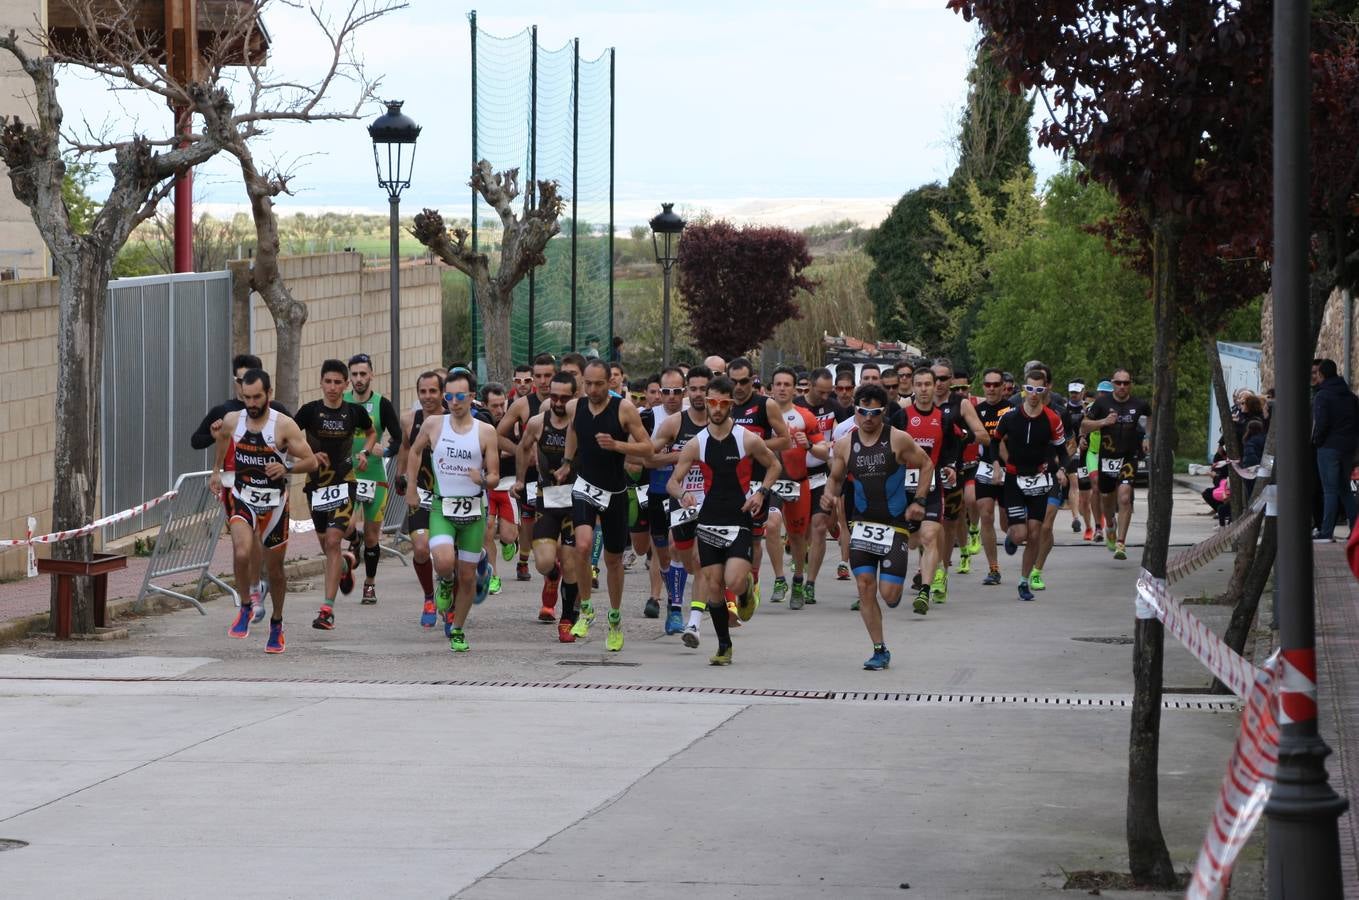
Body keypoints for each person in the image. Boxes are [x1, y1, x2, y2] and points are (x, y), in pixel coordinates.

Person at [667, 375, 782, 665]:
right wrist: (682, 494)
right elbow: (672, 482)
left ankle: (745, 595)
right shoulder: (696, 443)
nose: (717, 408)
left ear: (731, 404)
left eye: (723, 403)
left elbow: (774, 465)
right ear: (706, 403)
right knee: (714, 584)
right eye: (712, 402)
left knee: (733, 579)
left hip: (739, 519)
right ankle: (723, 646)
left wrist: (761, 493)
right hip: (708, 522)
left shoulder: (747, 439)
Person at [821, 382, 933, 670]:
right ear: (855, 411)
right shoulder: (846, 443)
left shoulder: (898, 439)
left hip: (894, 525)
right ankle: (879, 649)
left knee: (890, 594)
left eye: (875, 412)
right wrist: (829, 494)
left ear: (883, 412)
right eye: (863, 411)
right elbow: (835, 476)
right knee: (864, 586)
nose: (868, 418)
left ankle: (893, 595)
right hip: (861, 525)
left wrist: (919, 500)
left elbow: (927, 464)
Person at [211, 369, 318, 653]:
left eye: (257, 396)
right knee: (242, 551)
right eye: (247, 397)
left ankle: (277, 622)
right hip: (242, 496)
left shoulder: (283, 426)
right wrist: (216, 471)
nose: (252, 403)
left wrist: (287, 467)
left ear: (269, 394)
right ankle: (245, 606)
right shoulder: (234, 421)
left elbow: (311, 461)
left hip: (274, 505)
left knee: (276, 571)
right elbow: (222, 438)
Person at [191, 352, 293, 623]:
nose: (245, 391)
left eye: (251, 386)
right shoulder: (225, 413)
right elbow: (197, 440)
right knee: (244, 546)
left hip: (271, 493)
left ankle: (262, 589)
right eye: (239, 382)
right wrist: (215, 451)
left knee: (266, 551)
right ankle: (251, 596)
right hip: (237, 488)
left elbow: (296, 442)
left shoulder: (279, 413)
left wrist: (289, 467)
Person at [560, 359, 654, 650]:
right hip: (584, 487)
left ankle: (614, 618)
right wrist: (566, 462)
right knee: (583, 545)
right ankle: (586, 609)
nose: (592, 389)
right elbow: (572, 433)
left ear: (610, 383)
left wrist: (618, 446)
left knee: (613, 560)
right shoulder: (576, 407)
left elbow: (648, 448)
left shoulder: (623, 409)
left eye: (599, 384)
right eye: (587, 383)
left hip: (614, 492)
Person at [404, 369, 498, 652]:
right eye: (450, 396)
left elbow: (494, 475)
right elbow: (414, 450)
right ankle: (444, 581)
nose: (454, 402)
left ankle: (457, 626)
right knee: (444, 562)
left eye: (460, 396)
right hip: (442, 506)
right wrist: (410, 488)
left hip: (472, 512)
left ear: (471, 397)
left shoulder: (486, 431)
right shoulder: (434, 424)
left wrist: (481, 479)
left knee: (467, 577)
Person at [292, 360, 377, 632]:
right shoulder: (308, 412)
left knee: (332, 540)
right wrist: (307, 455)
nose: (332, 387)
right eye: (327, 381)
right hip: (315, 485)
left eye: (338, 382)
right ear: (320, 382)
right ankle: (345, 563)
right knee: (327, 546)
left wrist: (364, 452)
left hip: (344, 483)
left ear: (346, 384)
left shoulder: (354, 412)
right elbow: (287, 439)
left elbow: (371, 432)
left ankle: (327, 610)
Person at [517, 370, 583, 640]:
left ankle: (567, 618)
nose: (558, 402)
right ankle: (551, 577)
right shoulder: (537, 422)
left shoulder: (582, 422)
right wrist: (521, 481)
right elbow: (523, 448)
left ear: (575, 397)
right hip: (547, 499)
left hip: (576, 501)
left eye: (564, 397)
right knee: (544, 563)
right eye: (554, 396)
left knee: (569, 561)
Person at [995, 367, 1070, 601]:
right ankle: (1011, 537)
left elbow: (1062, 451)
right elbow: (993, 442)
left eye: (1039, 389)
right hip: (1015, 479)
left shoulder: (1052, 418)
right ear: (1024, 389)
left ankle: (1023, 581)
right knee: (1020, 534)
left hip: (1039, 479)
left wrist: (1062, 470)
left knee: (1036, 533)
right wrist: (998, 464)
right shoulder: (1010, 417)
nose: (1034, 394)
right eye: (1029, 389)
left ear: (1045, 389)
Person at [650, 365, 712, 635]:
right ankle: (675, 606)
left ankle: (690, 617)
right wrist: (680, 457)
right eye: (694, 389)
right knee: (678, 551)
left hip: (711, 497)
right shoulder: (675, 422)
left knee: (700, 558)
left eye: (704, 389)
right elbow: (648, 458)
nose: (699, 394)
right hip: (681, 493)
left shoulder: (722, 421)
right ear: (689, 391)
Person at [341, 353, 403, 604]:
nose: (358, 379)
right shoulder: (341, 401)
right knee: (344, 525)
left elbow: (398, 439)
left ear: (371, 376)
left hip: (375, 478)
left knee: (372, 536)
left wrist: (386, 450)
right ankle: (353, 542)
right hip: (347, 475)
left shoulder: (381, 404)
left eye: (363, 374)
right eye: (354, 374)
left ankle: (369, 584)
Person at [765, 367, 827, 608]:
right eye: (778, 384)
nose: (782, 388)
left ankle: (798, 580)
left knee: (797, 536)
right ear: (771, 388)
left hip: (798, 483)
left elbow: (824, 451)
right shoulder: (762, 413)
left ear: (794, 389)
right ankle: (780, 578)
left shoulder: (805, 416)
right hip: (770, 483)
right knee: (771, 525)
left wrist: (809, 445)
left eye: (786, 384)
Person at [395, 370, 448, 629]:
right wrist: (400, 476)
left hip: (450, 496)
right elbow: (405, 447)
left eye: (433, 391)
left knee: (449, 558)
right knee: (420, 548)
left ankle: (449, 602)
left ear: (442, 393)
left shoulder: (454, 418)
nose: (428, 397)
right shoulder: (409, 420)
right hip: (422, 493)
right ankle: (429, 596)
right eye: (423, 391)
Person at [498, 353, 558, 584]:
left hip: (558, 477)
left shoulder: (567, 402)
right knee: (529, 521)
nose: (543, 381)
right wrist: (521, 451)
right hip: (531, 474)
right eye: (539, 376)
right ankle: (524, 559)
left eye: (548, 376)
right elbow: (498, 435)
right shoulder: (523, 405)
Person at [1083, 368, 1151, 560]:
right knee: (1107, 499)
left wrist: (1147, 436)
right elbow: (1084, 425)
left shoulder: (1139, 404)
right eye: (1118, 383)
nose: (1122, 386)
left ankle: (1121, 542)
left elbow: (1149, 416)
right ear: (1113, 383)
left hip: (1129, 457)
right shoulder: (1101, 404)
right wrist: (1104, 421)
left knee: (1124, 497)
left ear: (1130, 384)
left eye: (1126, 383)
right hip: (1106, 458)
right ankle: (1110, 526)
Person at [636, 367, 687, 620]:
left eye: (677, 392)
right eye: (666, 391)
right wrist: (679, 455)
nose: (670, 397)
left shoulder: (695, 416)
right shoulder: (648, 417)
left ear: (684, 392)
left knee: (677, 543)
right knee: (658, 547)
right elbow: (647, 460)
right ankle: (660, 595)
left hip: (687, 490)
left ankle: (668, 599)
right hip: (656, 488)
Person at [796, 368, 843, 606]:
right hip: (795, 475)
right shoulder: (795, 406)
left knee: (819, 527)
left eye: (828, 392)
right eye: (821, 392)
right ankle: (796, 572)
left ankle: (810, 583)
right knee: (799, 532)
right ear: (810, 386)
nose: (825, 397)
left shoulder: (835, 407)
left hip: (821, 474)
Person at [970, 368, 1013, 586]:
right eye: (988, 385)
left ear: (1003, 386)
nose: (992, 389)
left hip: (1008, 470)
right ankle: (993, 568)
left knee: (1007, 525)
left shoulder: (1012, 409)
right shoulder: (978, 410)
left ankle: (1013, 537)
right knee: (986, 516)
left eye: (996, 385)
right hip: (985, 468)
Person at [1311, 357, 1359, 541]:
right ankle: (1355, 529)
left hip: (1328, 447)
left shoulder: (1322, 396)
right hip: (1347, 448)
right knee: (1344, 489)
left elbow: (1321, 423)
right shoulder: (1350, 396)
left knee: (1329, 490)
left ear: (1321, 375)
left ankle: (1326, 531)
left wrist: (1317, 441)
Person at [480, 383, 520, 594]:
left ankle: (510, 542)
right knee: (487, 531)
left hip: (508, 484)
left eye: (501, 405)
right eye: (494, 406)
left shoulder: (513, 422)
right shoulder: (480, 424)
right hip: (487, 487)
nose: (499, 410)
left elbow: (521, 450)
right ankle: (493, 576)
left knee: (507, 535)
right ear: (485, 405)